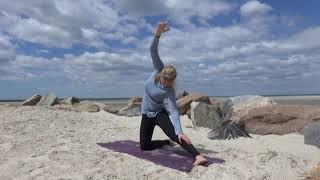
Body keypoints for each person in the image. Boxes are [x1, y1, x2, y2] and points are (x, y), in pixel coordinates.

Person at [140, 20, 208, 166]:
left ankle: (198, 155)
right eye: (165, 79)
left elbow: (174, 111)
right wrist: (157, 35)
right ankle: (166, 142)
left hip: (159, 114)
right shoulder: (158, 69)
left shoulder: (170, 91)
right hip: (146, 114)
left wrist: (180, 130)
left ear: (173, 81)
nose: (166, 82)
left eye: (170, 81)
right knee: (144, 146)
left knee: (175, 134)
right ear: (162, 74)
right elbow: (153, 50)